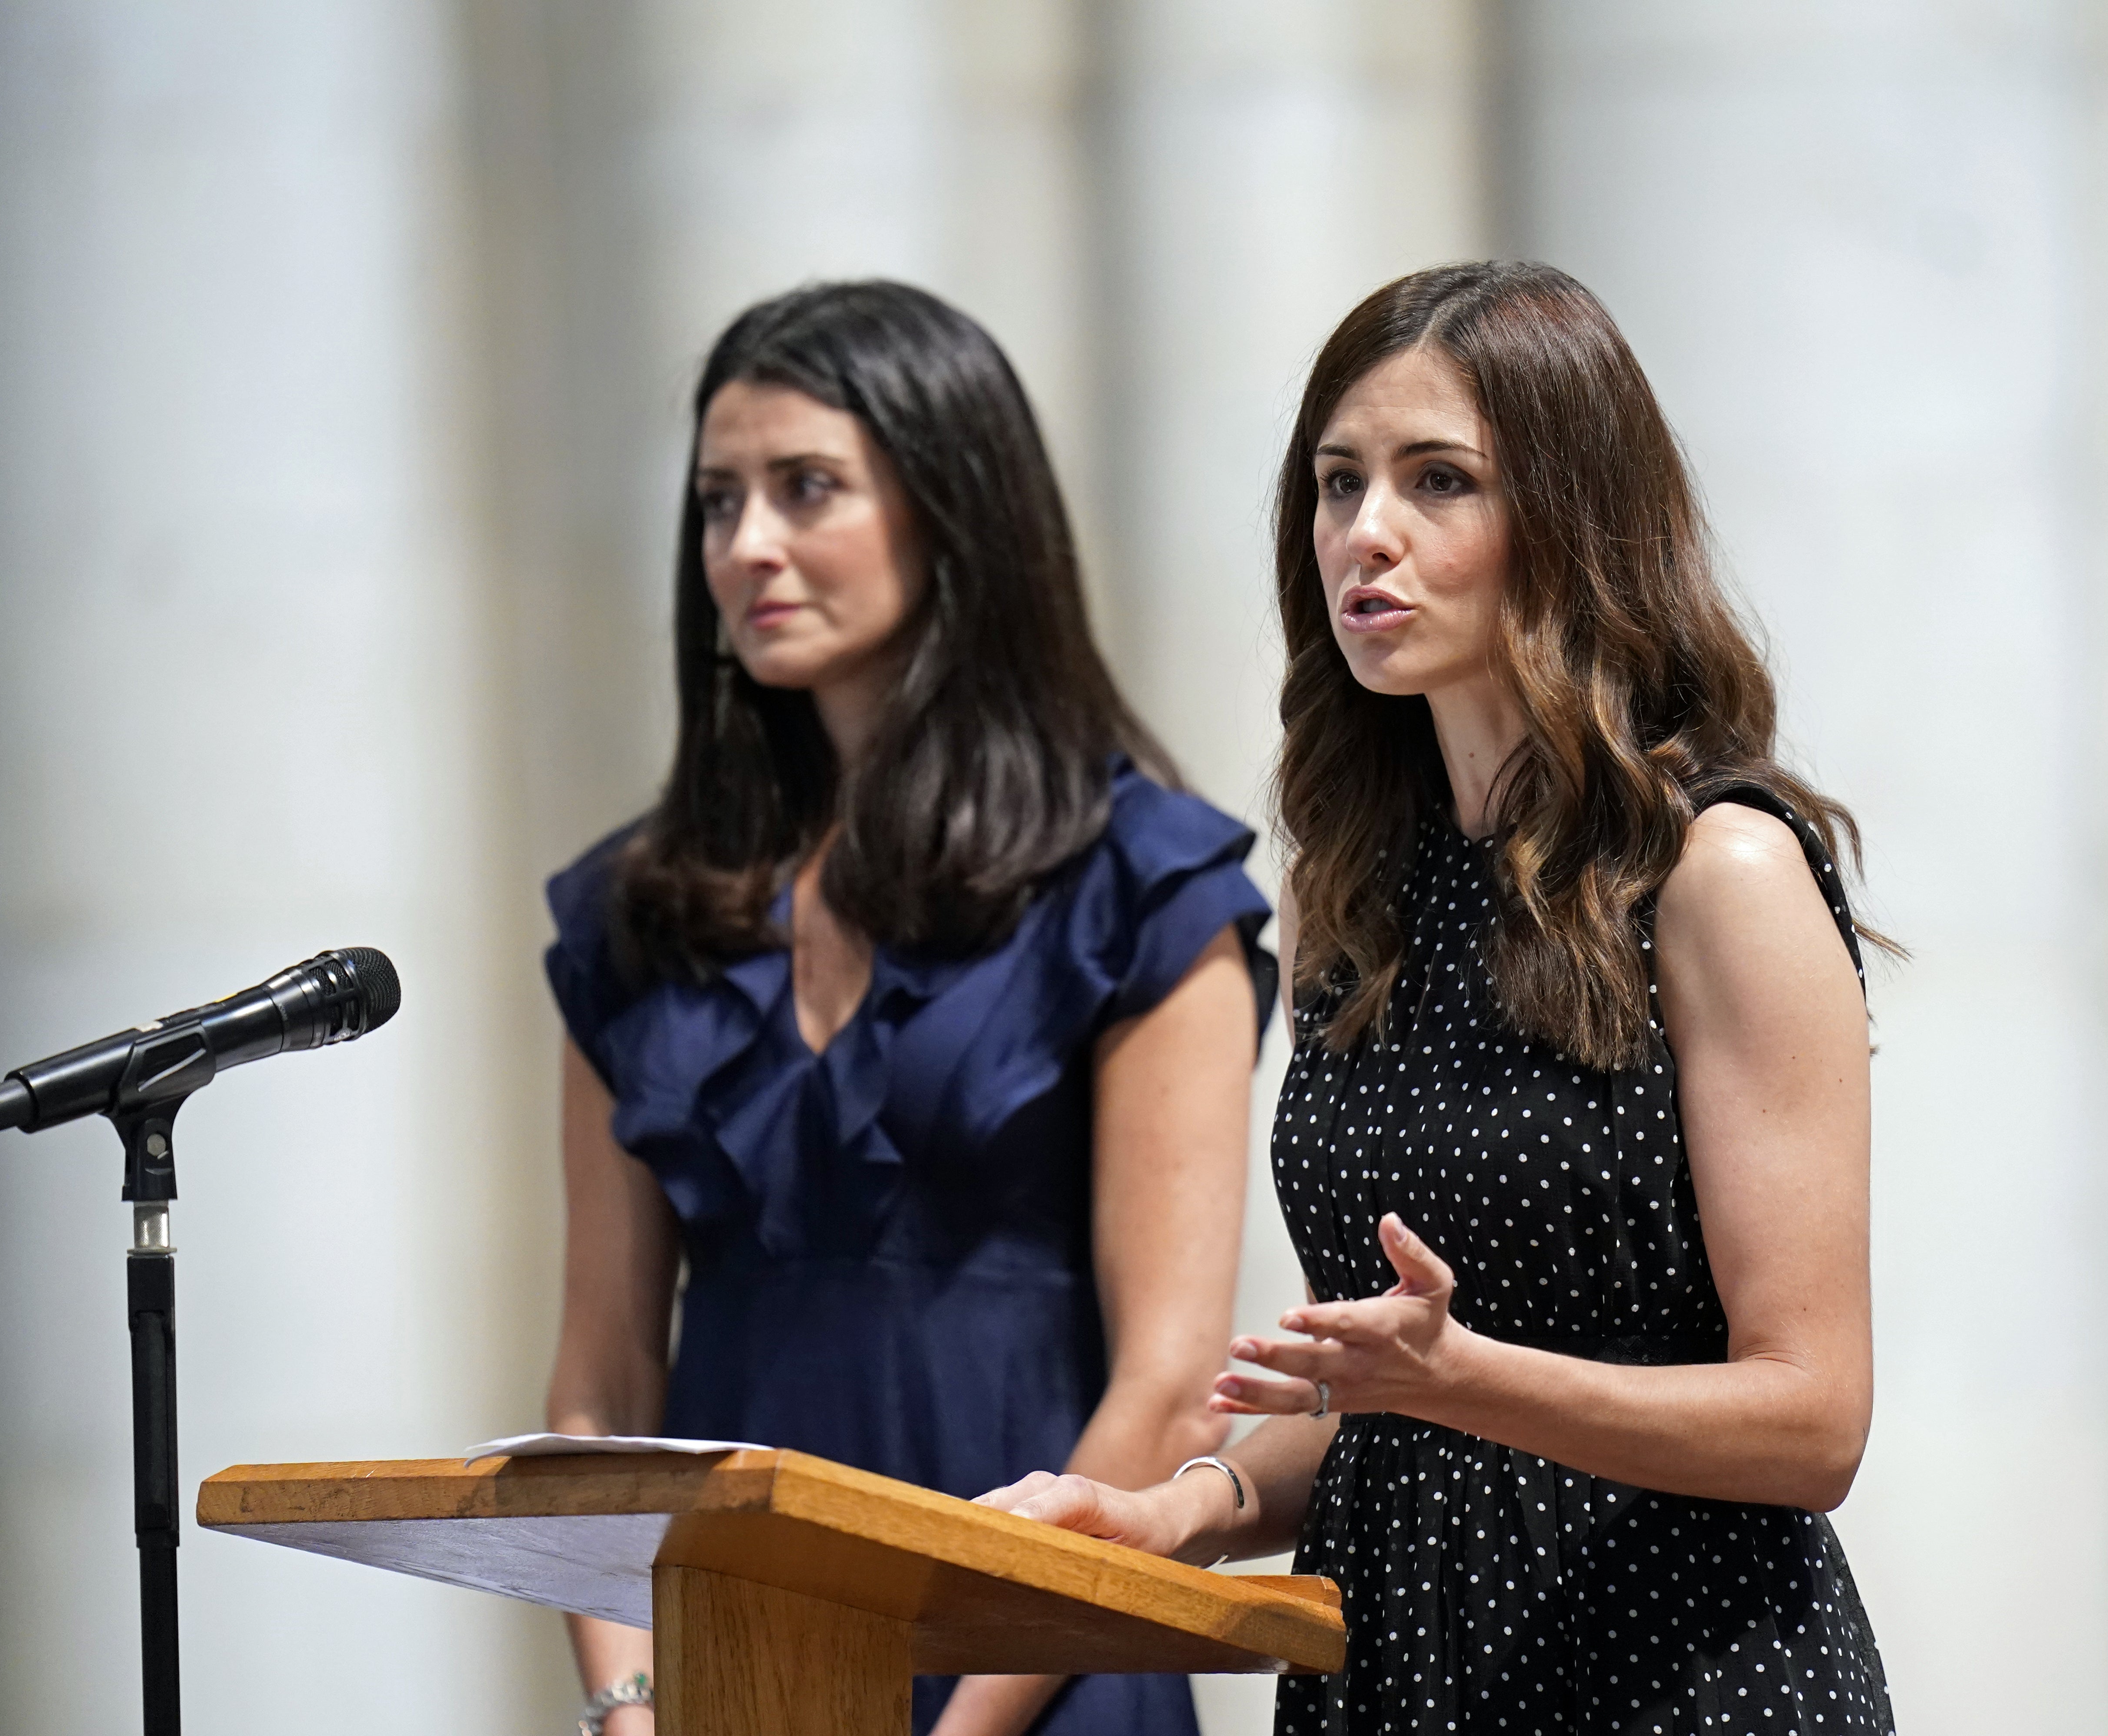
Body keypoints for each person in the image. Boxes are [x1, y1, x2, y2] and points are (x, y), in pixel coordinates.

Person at [981, 262, 1899, 1734]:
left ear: (1573, 517)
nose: (1367, 535)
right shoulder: (1356, 891)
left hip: (1672, 1683)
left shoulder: (1714, 872)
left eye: (1438, 482)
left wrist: (1462, 1378)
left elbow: (1810, 1418)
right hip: (1398, 1672)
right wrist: (1180, 1509)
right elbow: (1382, 1397)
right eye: (1337, 485)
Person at [541, 281, 1274, 1736]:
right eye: (716, 503)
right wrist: (629, 1702)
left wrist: (963, 1729)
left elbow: (1172, 1384)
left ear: (955, 510)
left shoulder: (1141, 881)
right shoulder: (641, 909)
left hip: (1048, 1662)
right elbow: (599, 1381)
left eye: (805, 490)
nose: (744, 546)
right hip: (735, 1671)